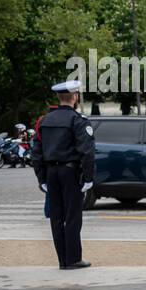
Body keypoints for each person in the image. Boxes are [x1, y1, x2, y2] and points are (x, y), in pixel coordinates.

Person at [32, 80, 95, 270]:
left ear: (59, 98)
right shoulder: (78, 120)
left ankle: (62, 260)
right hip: (70, 172)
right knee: (73, 216)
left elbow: (36, 152)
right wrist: (88, 178)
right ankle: (74, 259)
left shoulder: (44, 121)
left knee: (56, 217)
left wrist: (41, 178)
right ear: (75, 97)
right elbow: (87, 152)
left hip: (52, 173)